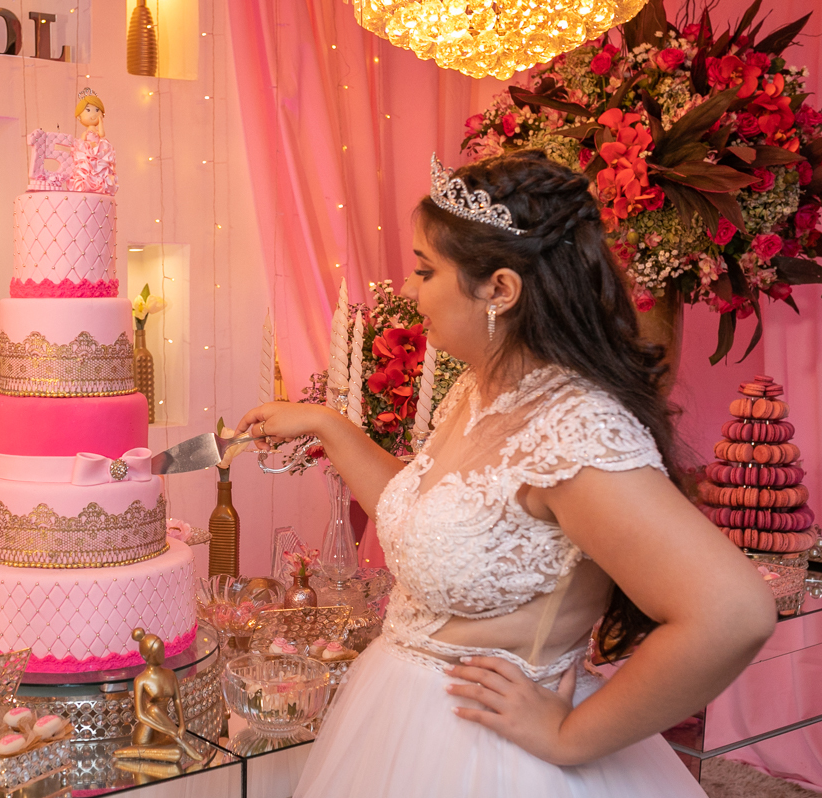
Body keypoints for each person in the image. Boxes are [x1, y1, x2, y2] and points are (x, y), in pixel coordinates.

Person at [236, 150, 776, 796]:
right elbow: (424, 520)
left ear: (500, 290)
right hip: (401, 726)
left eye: (425, 271)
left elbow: (734, 612)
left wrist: (570, 736)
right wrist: (328, 425)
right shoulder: (481, 388)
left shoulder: (571, 432)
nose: (409, 291)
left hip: (491, 760)